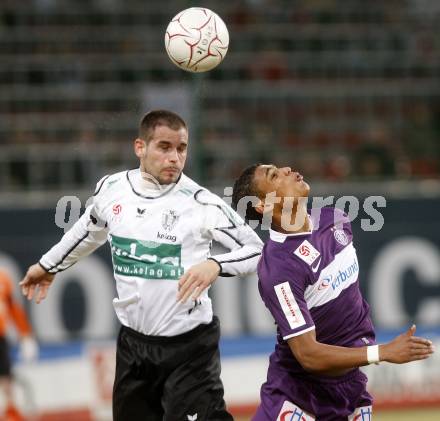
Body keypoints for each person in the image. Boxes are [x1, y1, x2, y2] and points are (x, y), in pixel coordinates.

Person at [20, 110, 263, 421]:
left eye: (181, 148)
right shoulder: (112, 189)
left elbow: (256, 250)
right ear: (140, 147)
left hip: (189, 351)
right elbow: (88, 231)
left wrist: (215, 264)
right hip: (134, 348)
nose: (175, 157)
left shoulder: (202, 203)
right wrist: (48, 265)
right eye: (164, 147)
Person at [231, 164, 435, 420]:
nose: (286, 169)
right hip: (299, 398)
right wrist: (382, 352)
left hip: (350, 389)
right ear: (263, 206)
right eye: (274, 175)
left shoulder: (334, 218)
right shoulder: (279, 268)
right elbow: (308, 355)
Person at [0, 269, 38, 421]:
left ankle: (10, 410)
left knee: (6, 377)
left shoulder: (3, 278)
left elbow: (13, 308)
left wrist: (25, 335)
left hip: (0, 336)